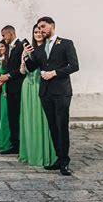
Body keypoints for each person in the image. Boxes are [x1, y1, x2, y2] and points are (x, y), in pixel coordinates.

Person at [24, 17, 79, 176]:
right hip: (45, 92)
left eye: (43, 27)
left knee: (62, 126)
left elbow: (74, 66)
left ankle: (64, 162)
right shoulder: (39, 49)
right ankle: (58, 158)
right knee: (53, 126)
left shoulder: (66, 43)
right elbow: (31, 67)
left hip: (61, 92)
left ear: (52, 26)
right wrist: (26, 55)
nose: (40, 30)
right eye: (38, 28)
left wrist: (54, 72)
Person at [19, 24, 57, 166]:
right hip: (28, 87)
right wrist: (24, 56)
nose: (38, 34)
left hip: (43, 86)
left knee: (46, 120)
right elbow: (23, 72)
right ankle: (33, 154)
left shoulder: (48, 50)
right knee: (30, 122)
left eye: (40, 31)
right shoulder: (29, 50)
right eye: (35, 31)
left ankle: (47, 154)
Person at [0, 25, 25, 154]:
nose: (3, 38)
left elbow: (22, 68)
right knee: (12, 117)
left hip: (18, 86)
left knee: (18, 117)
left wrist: (8, 76)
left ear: (10, 33)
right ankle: (14, 144)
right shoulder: (8, 48)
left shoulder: (22, 45)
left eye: (4, 35)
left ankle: (21, 144)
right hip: (10, 88)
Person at [0, 40, 11, 151]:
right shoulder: (2, 60)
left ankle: (8, 142)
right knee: (3, 116)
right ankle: (3, 141)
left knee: (6, 117)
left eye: (2, 46)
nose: (0, 48)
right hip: (2, 88)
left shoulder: (9, 60)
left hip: (7, 89)